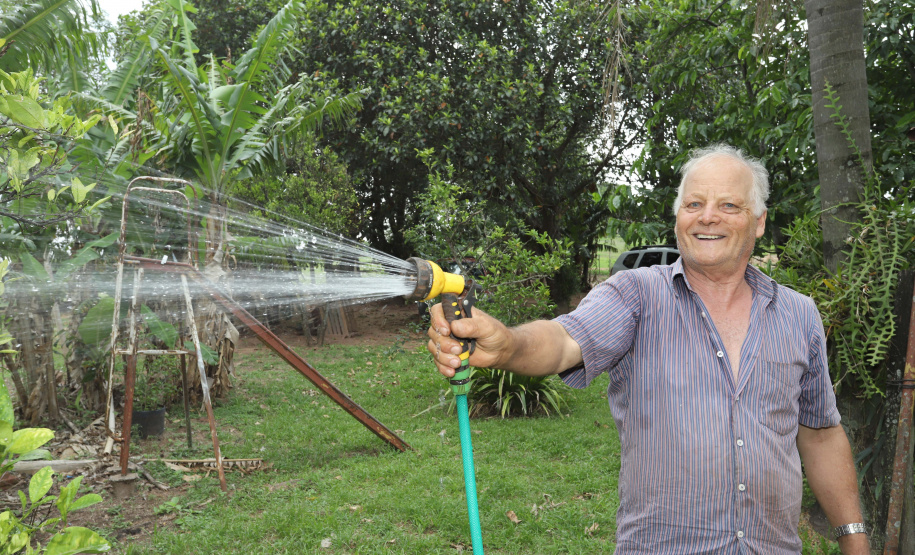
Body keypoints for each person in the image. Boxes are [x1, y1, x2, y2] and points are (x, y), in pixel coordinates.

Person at [426, 144, 869, 554]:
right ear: (678, 216)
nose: (707, 217)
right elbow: (564, 342)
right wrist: (508, 345)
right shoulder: (636, 295)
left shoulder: (799, 314)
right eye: (693, 204)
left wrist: (853, 536)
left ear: (758, 220)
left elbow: (820, 432)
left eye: (728, 205)